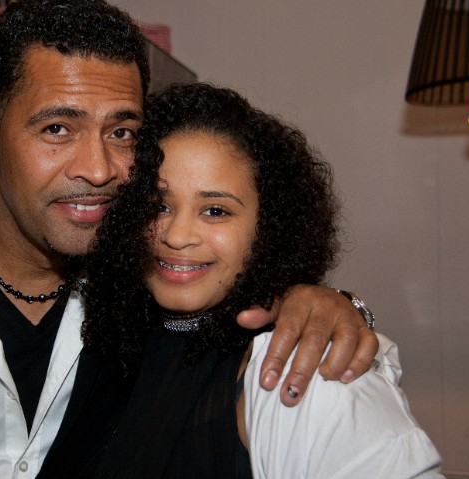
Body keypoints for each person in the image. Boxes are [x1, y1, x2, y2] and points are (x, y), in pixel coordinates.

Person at [0, 1, 377, 477]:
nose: (99, 169)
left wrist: (328, 303)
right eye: (57, 128)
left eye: (122, 132)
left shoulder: (157, 279)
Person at [81, 83, 443, 478]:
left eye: (215, 210)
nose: (177, 235)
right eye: (159, 205)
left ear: (269, 228)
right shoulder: (110, 340)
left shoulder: (297, 370)